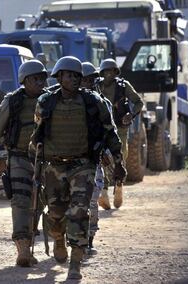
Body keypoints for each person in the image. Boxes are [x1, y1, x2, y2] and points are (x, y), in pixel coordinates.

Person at [31, 56, 126, 279]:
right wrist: (34, 166)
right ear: (59, 77)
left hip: (83, 165)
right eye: (69, 75)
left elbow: (110, 132)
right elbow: (37, 137)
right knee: (55, 215)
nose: (74, 79)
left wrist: (118, 162)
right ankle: (58, 239)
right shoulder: (46, 102)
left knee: (79, 211)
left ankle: (75, 263)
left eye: (77, 76)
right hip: (54, 167)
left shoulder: (93, 102)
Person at [0, 60, 48, 267]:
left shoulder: (51, 99)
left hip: (46, 160)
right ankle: (23, 247)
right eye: (35, 78)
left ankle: (31, 240)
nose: (40, 82)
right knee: (21, 201)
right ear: (24, 80)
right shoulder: (12, 102)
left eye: (42, 77)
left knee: (39, 203)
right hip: (19, 158)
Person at [96, 58, 144, 210]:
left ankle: (118, 186)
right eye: (106, 71)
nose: (109, 74)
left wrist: (131, 114)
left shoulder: (123, 86)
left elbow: (138, 102)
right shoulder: (97, 86)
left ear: (116, 72)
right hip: (102, 128)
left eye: (112, 71)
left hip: (120, 128)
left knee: (120, 157)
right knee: (101, 157)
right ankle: (104, 191)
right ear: (102, 73)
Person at [81, 62, 110, 255]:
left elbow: (109, 132)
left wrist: (107, 153)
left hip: (93, 159)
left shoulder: (102, 103)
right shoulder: (61, 101)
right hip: (67, 159)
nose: (88, 83)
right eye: (85, 79)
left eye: (92, 79)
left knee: (91, 200)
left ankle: (89, 239)